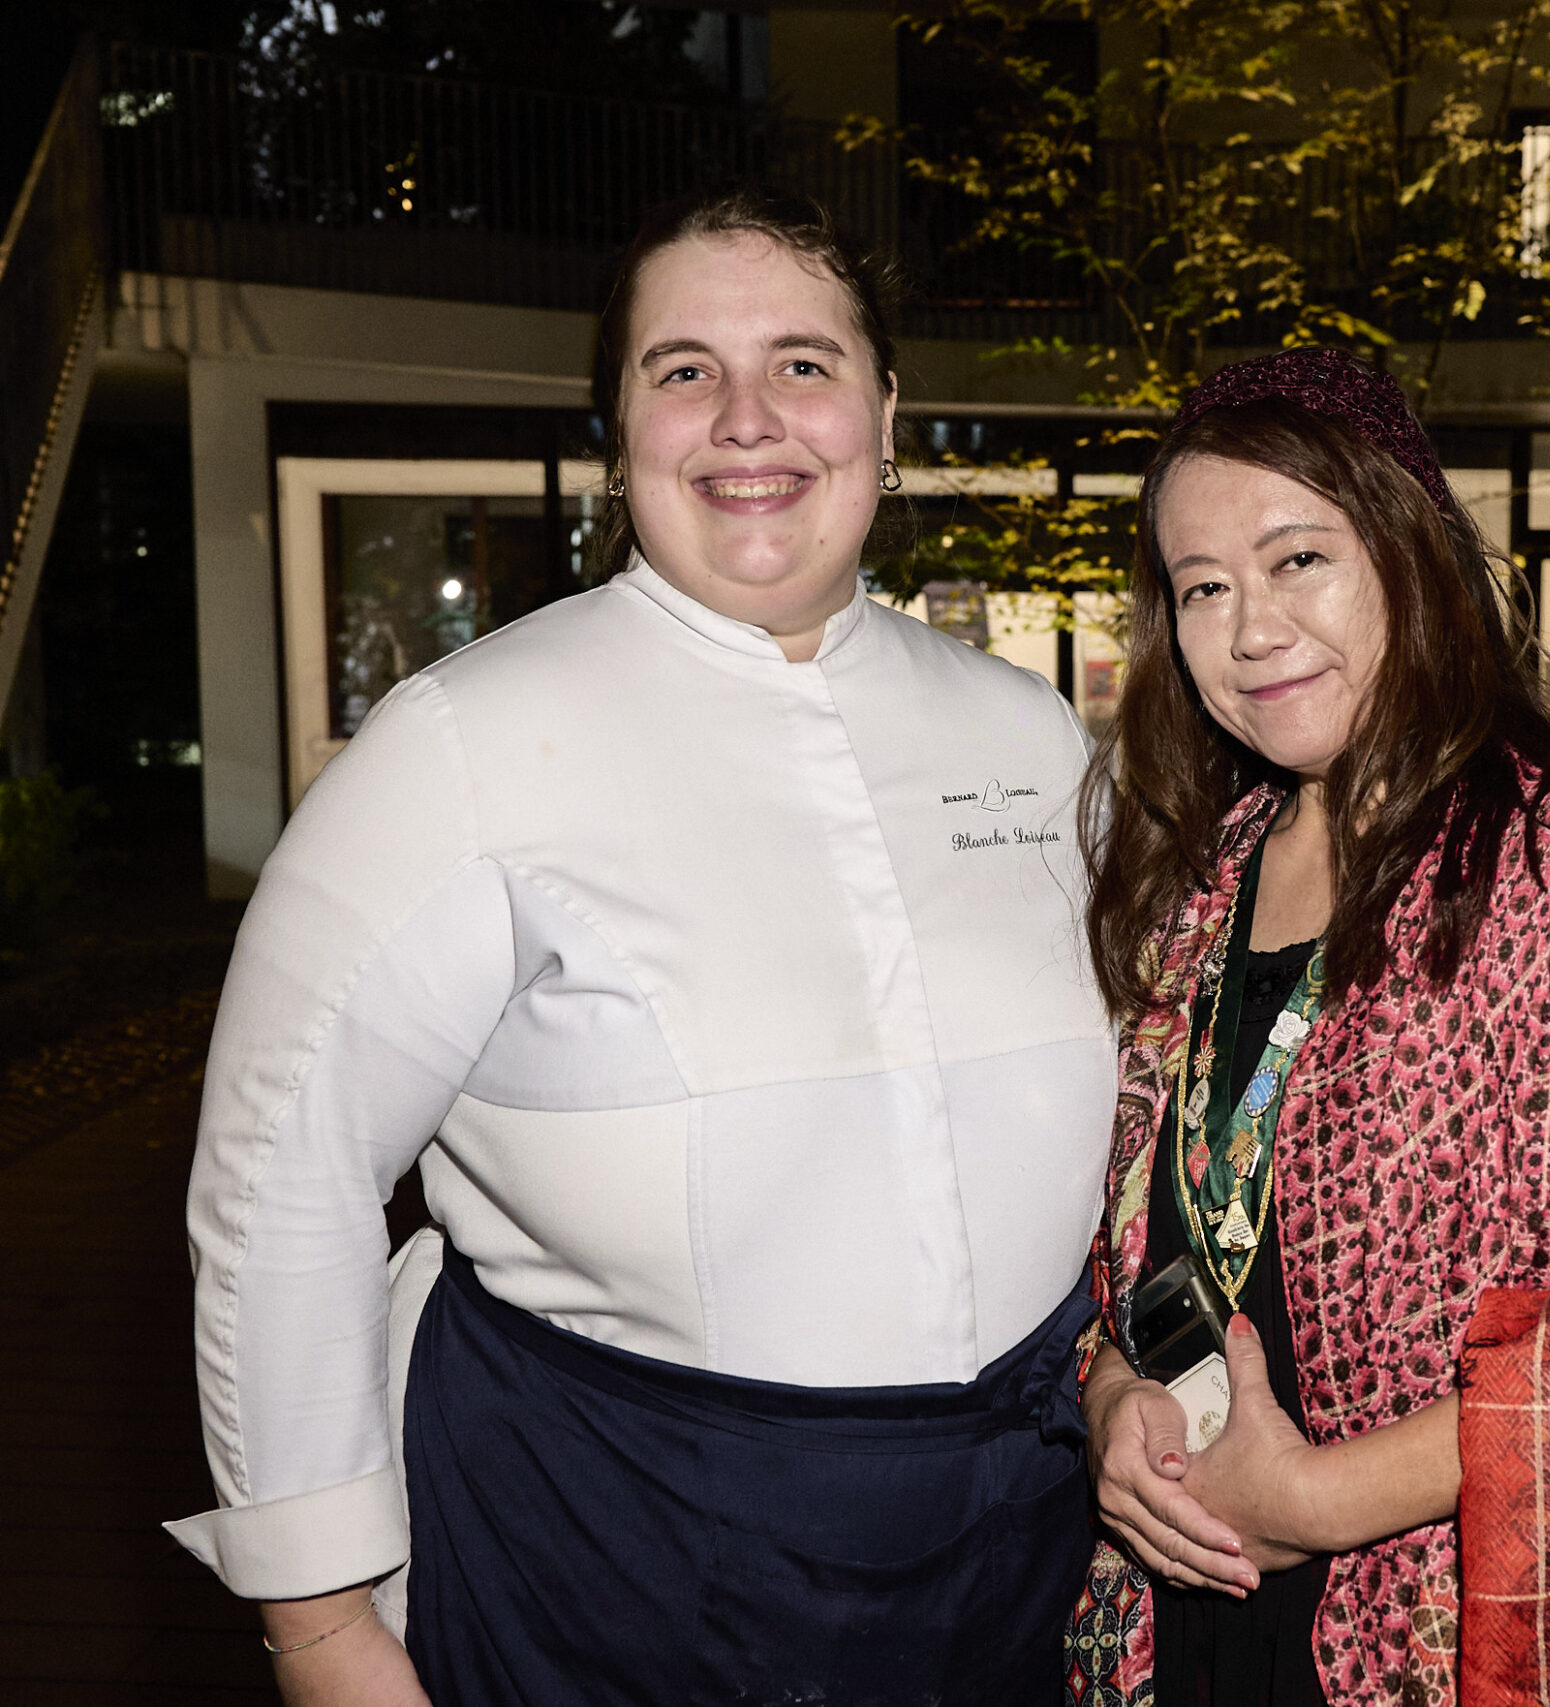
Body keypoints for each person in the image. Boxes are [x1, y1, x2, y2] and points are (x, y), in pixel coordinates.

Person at [166, 188, 1116, 1705]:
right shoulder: (458, 744)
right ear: (620, 434)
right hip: (607, 1536)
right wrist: (322, 1625)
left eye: (803, 363)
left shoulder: (1031, 731)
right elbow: (281, 1181)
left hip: (1017, 1542)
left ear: (886, 413)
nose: (748, 418)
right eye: (685, 370)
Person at [1067, 348, 1550, 1707]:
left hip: (1433, 1620)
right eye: (1203, 588)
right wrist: (1113, 1393)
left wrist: (1322, 1496)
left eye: (1299, 560)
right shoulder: (1195, 882)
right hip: (1185, 1611)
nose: (1250, 630)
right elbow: (1133, 1229)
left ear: (1410, 556)